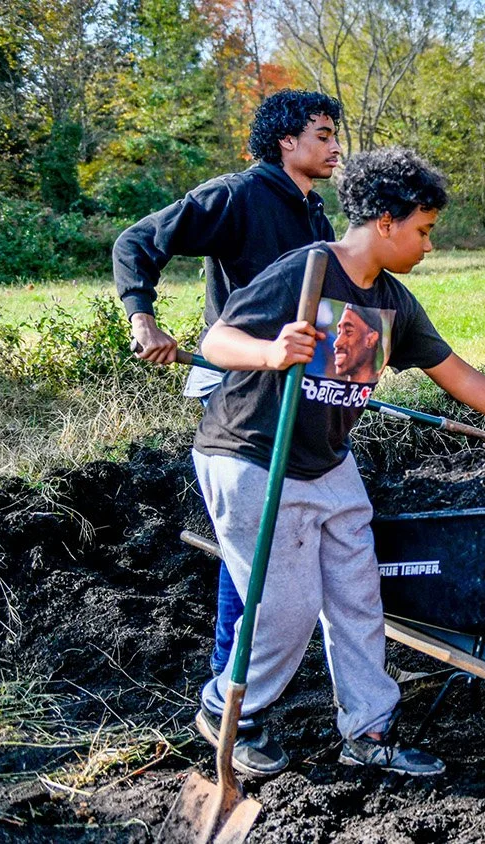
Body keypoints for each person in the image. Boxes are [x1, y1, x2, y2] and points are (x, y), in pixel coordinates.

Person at [191, 147, 485, 777]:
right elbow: (216, 342)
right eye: (424, 230)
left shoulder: (394, 302)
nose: (429, 245)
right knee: (286, 610)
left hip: (326, 462)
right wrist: (272, 353)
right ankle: (229, 710)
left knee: (359, 596)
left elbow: (454, 373)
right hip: (254, 457)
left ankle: (369, 732)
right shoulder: (308, 269)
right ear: (385, 222)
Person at [112, 89, 343, 676]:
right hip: (238, 384)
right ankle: (229, 683)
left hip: (292, 384)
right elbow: (136, 241)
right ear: (286, 142)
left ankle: (265, 657)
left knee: (275, 528)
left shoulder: (313, 212)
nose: (335, 146)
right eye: (323, 135)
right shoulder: (237, 196)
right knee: (255, 535)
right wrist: (144, 320)